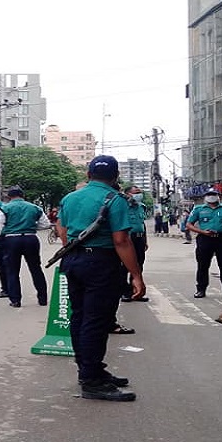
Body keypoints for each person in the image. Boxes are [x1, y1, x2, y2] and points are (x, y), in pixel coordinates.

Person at [56, 155, 145, 402]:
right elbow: (121, 240)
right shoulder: (115, 200)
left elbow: (62, 231)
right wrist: (136, 276)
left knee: (80, 316)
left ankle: (89, 369)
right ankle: (91, 381)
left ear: (88, 174)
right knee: (97, 320)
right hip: (101, 263)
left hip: (74, 261)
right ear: (116, 177)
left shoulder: (70, 198)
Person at [0, 186, 51, 308]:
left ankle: (15, 300)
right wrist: (31, 227)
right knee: (36, 269)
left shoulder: (4, 208)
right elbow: (46, 224)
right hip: (30, 238)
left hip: (12, 239)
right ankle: (42, 298)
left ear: (9, 197)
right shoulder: (35, 207)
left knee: (12, 271)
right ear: (22, 195)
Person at [186, 188, 222, 299]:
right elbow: (189, 224)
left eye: (214, 194)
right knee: (203, 266)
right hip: (205, 239)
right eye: (209, 194)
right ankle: (201, 290)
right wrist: (202, 232)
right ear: (205, 197)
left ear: (218, 196)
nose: (211, 196)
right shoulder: (198, 209)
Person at [120, 186, 149, 306]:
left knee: (139, 264)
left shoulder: (142, 206)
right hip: (128, 238)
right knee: (124, 266)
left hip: (139, 237)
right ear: (127, 194)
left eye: (140, 193)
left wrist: (145, 240)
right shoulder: (122, 206)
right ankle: (125, 292)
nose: (139, 195)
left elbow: (142, 224)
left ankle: (135, 291)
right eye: (136, 193)